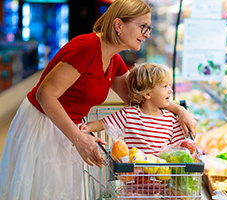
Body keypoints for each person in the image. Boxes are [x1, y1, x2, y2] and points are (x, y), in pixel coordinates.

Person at [0, 0, 196, 199]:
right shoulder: (86, 48)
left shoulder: (113, 60)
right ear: (118, 25)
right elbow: (45, 94)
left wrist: (178, 110)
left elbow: (139, 99)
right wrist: (78, 139)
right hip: (44, 123)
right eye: (142, 27)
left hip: (70, 127)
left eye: (149, 28)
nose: (147, 34)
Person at [81, 63, 188, 155]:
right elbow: (103, 123)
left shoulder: (171, 119)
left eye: (170, 86)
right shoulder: (129, 114)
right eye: (165, 86)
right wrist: (87, 128)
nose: (170, 91)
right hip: (134, 176)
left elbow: (181, 147)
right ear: (147, 93)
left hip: (164, 176)